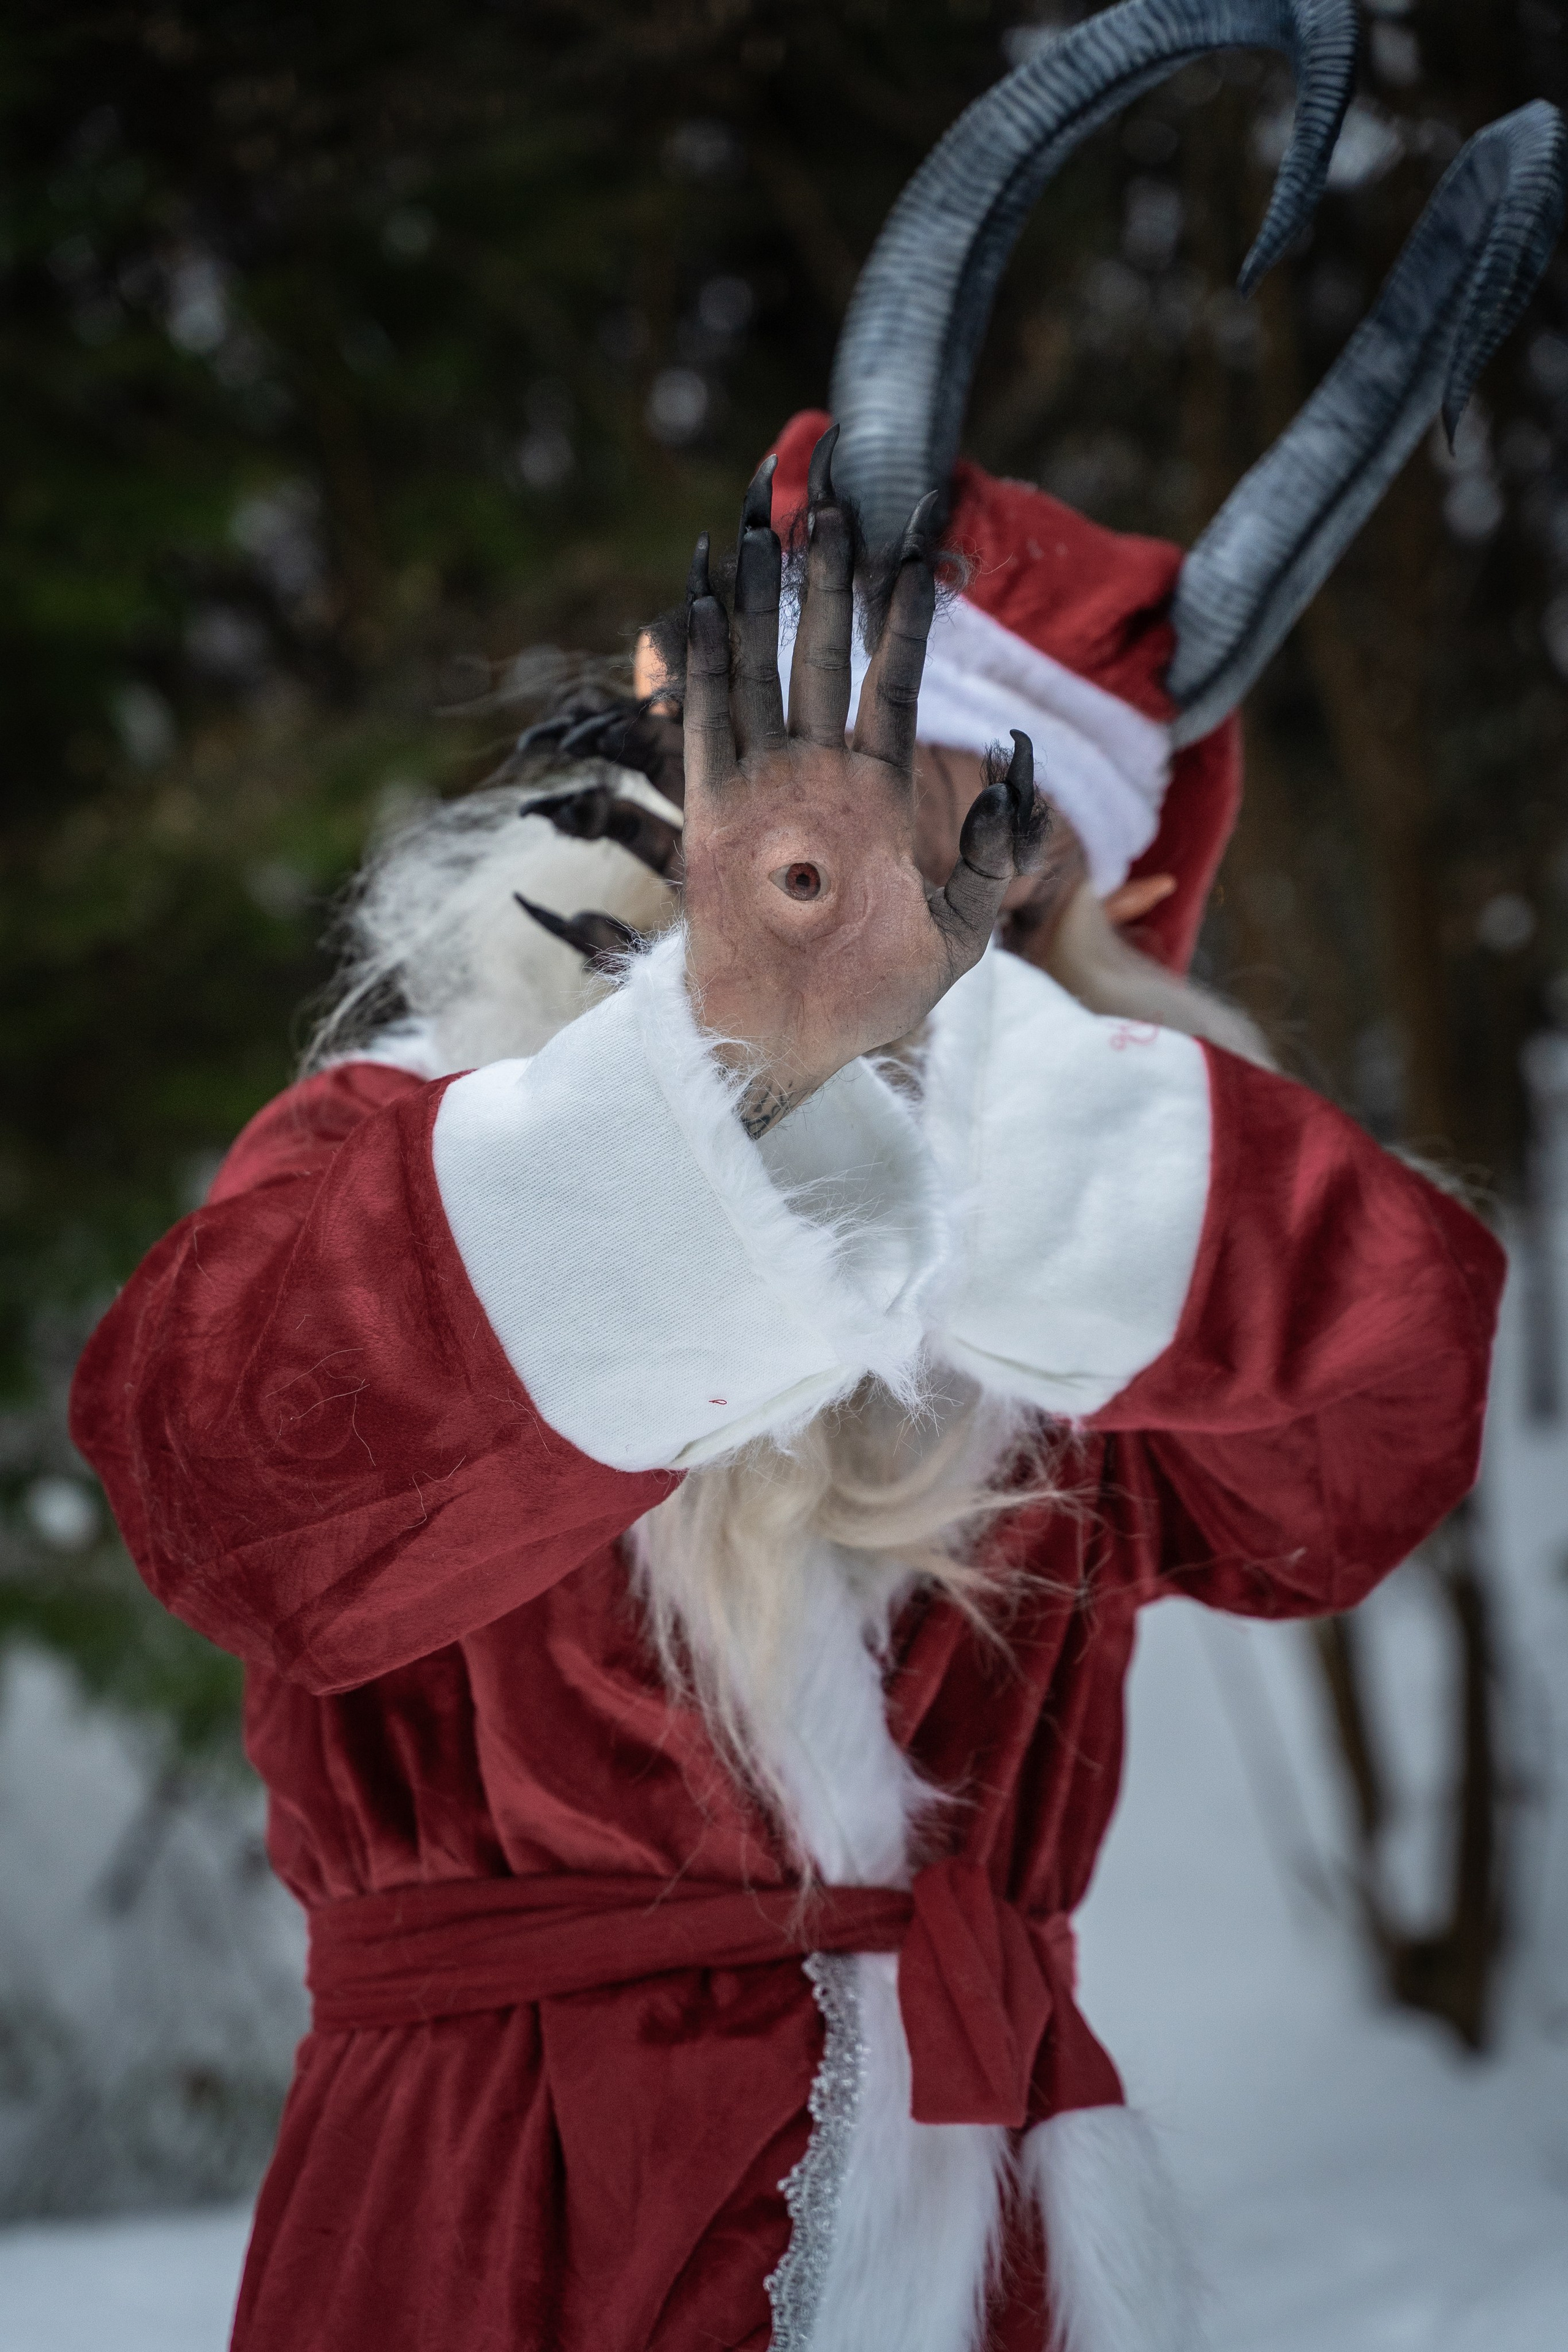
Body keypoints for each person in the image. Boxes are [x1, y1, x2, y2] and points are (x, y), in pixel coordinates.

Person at [72, 424, 1503, 2352]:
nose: (848, 869)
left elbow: (1378, 1420)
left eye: (960, 832)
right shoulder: (417, 1143)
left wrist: (981, 1116)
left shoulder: (1068, 1289)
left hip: (984, 2226)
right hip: (502, 2232)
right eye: (804, 790)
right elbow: (222, 1495)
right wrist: (719, 1106)